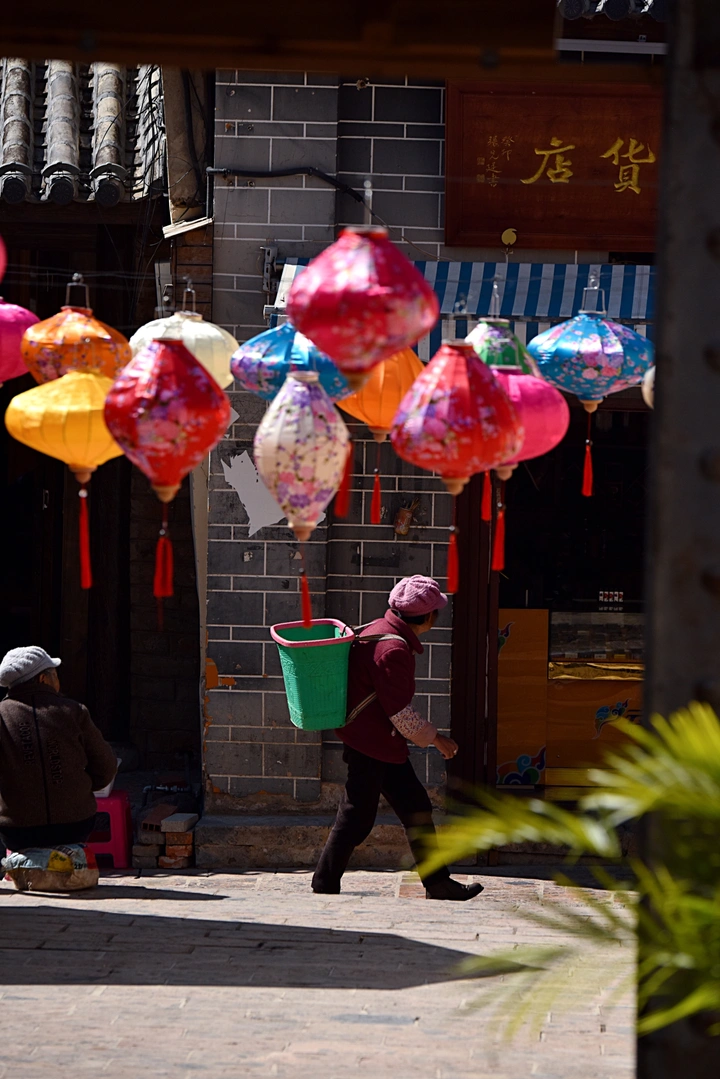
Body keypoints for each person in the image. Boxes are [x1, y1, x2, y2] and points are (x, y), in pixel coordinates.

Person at [312, 576, 484, 901]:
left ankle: (437, 883)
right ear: (428, 617)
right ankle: (324, 881)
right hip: (371, 744)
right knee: (356, 816)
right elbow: (399, 712)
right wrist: (436, 738)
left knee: (415, 807)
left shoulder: (379, 630)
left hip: (380, 741)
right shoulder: (392, 650)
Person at [0, 646, 117, 853]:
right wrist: (79, 789)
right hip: (75, 825)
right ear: (43, 679)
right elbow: (106, 767)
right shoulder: (73, 711)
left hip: (16, 830)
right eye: (54, 674)